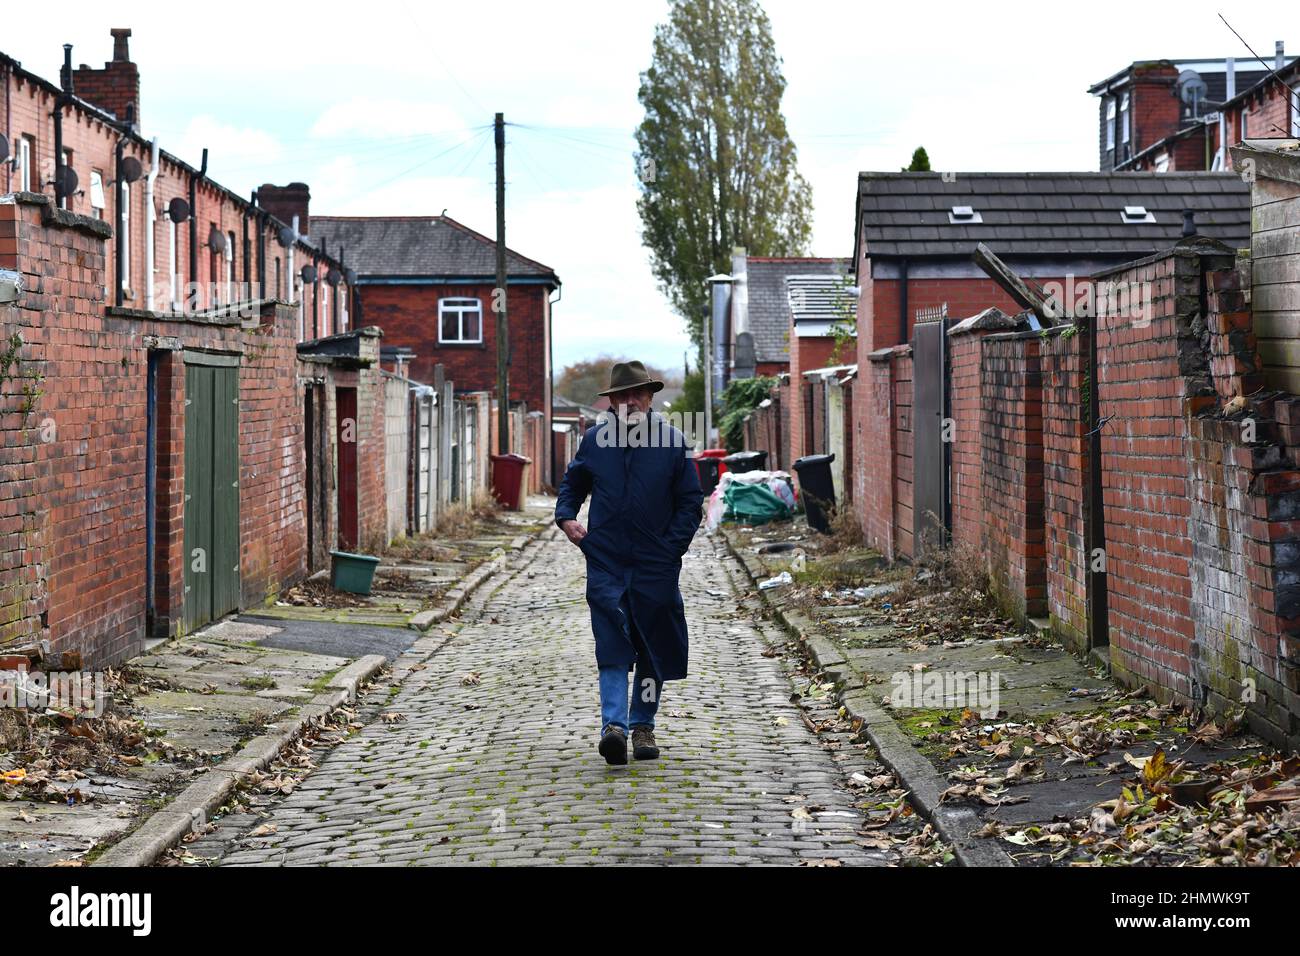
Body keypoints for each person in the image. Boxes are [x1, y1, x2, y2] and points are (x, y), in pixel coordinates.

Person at [554, 360, 704, 765]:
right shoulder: (595, 440)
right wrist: (566, 517)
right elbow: (573, 482)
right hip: (606, 558)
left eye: (638, 394)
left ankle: (643, 726)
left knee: (653, 644)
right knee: (612, 641)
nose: (631, 402)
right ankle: (614, 727)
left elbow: (691, 502)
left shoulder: (672, 442)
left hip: (655, 562)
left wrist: (671, 548)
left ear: (651, 397)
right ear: (612, 402)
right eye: (622, 396)